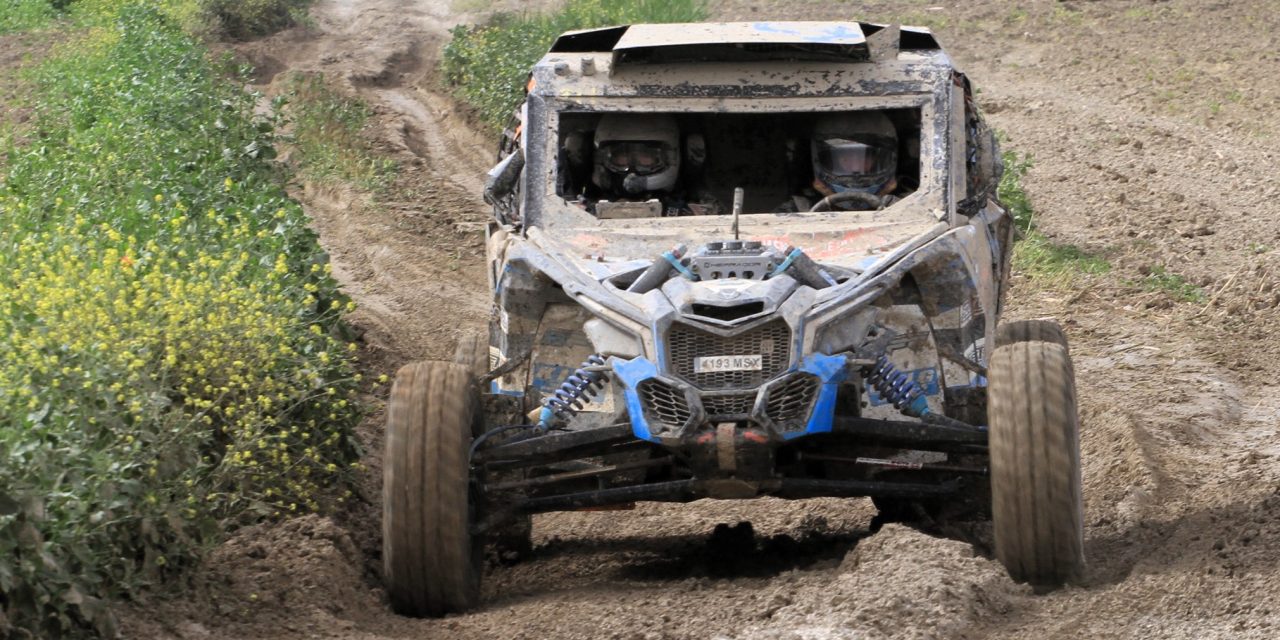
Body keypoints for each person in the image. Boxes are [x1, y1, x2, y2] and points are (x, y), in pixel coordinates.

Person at [587, 114, 720, 217]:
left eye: (645, 155)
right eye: (622, 155)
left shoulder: (696, 211)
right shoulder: (583, 211)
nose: (632, 171)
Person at [777, 111, 902, 213]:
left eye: (865, 158)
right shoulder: (796, 211)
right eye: (846, 157)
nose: (856, 167)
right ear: (819, 160)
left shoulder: (908, 207)